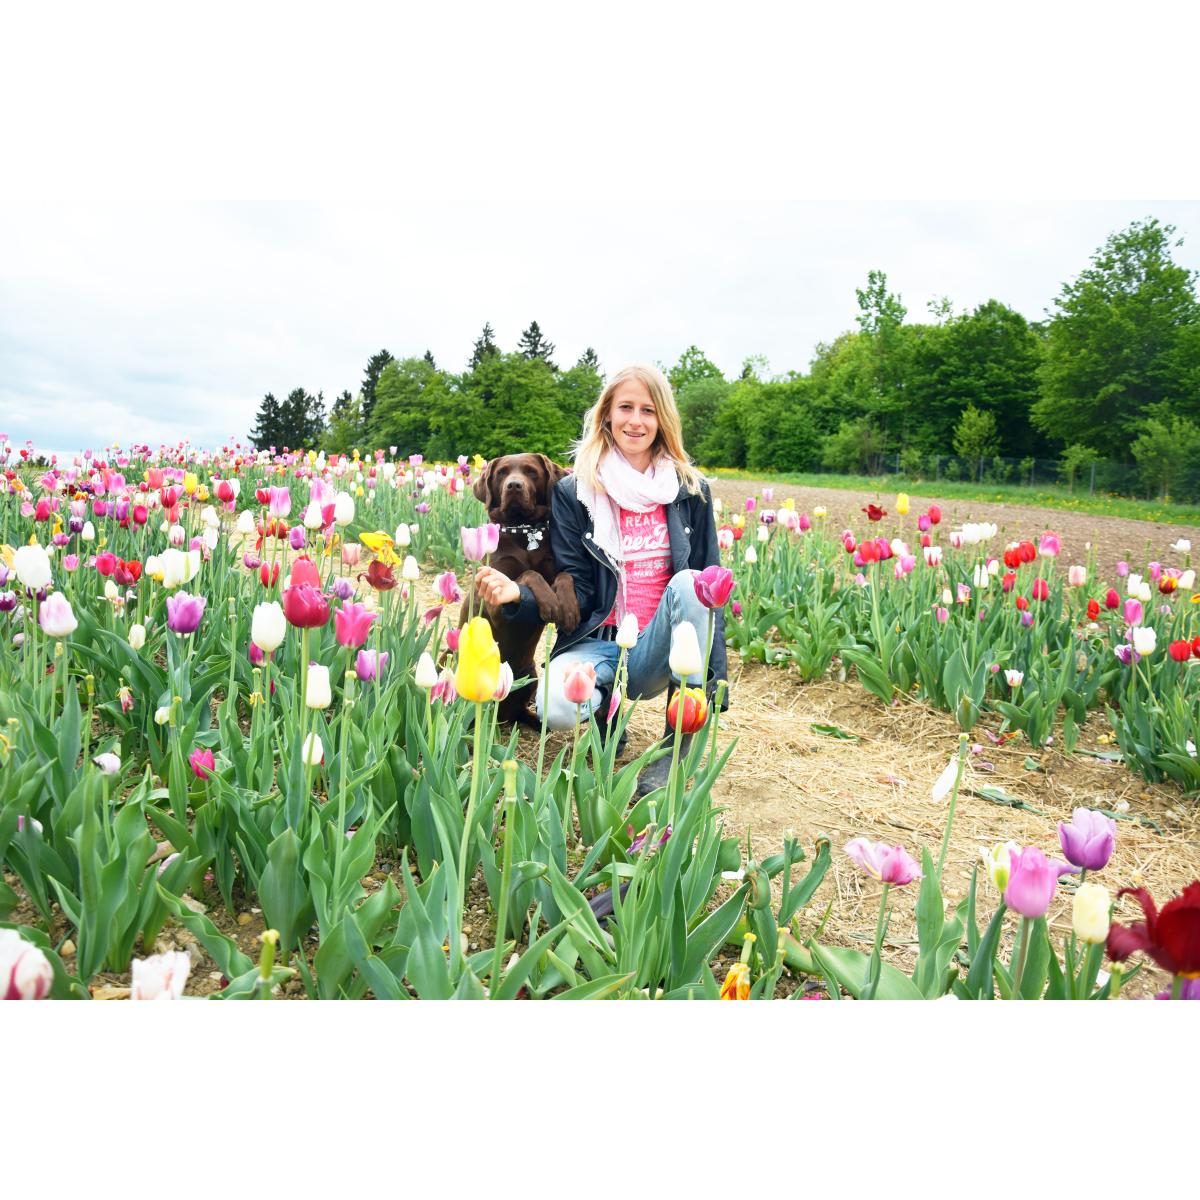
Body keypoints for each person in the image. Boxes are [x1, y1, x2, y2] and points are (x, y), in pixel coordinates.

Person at [474, 363, 727, 796]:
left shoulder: (690, 490)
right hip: (600, 638)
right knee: (554, 705)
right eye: (625, 407)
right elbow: (579, 586)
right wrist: (519, 594)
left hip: (656, 647)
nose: (636, 420)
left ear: (662, 419)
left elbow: (709, 594)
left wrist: (714, 685)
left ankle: (677, 750)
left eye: (648, 410)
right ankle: (606, 717)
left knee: (693, 583)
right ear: (606, 415)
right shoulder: (577, 492)